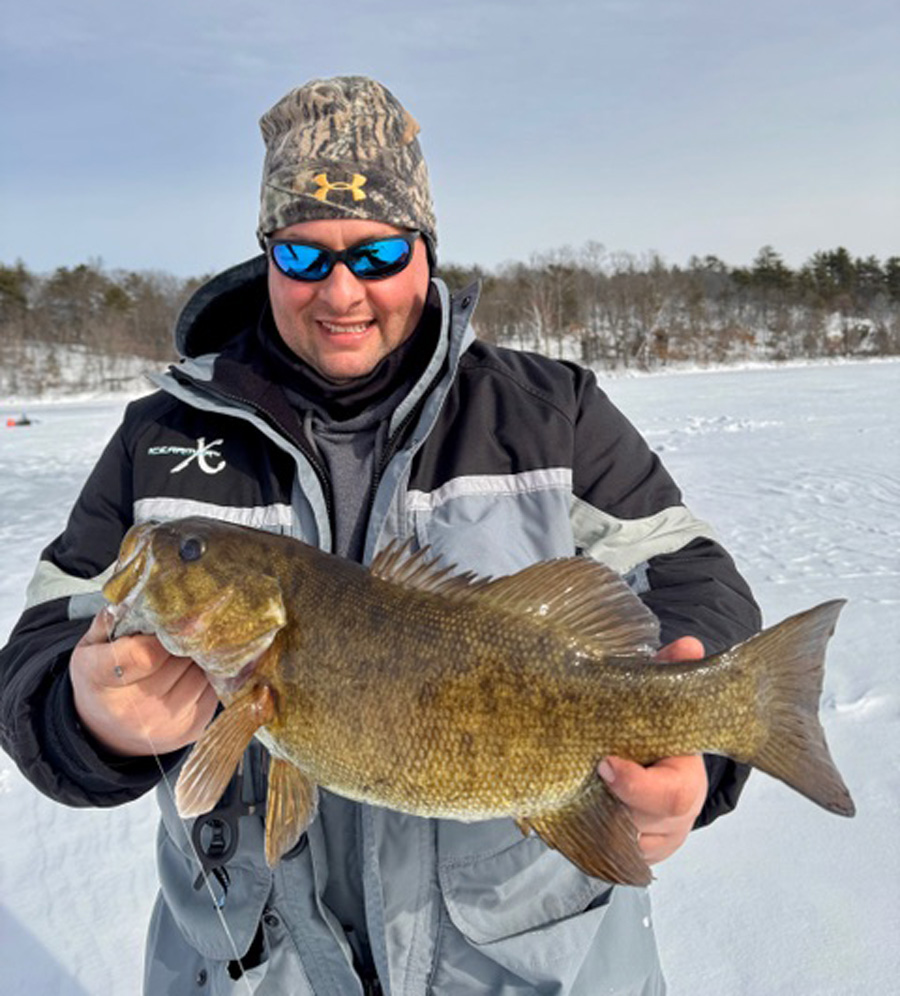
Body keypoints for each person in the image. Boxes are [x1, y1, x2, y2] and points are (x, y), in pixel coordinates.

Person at [0, 76, 760, 995]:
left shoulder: (551, 414)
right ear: (267, 259)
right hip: (253, 967)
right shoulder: (158, 439)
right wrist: (86, 718)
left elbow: (692, 580)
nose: (343, 290)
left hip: (529, 968)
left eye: (380, 251)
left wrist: (699, 752)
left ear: (426, 254)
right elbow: (39, 650)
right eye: (305, 256)